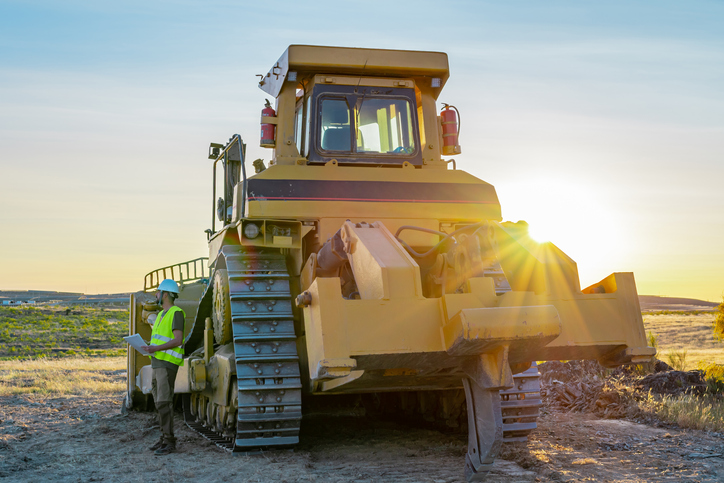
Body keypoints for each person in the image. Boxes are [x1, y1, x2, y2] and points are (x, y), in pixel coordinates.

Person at [141, 278, 185, 455]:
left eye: (158, 292)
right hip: (157, 363)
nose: (156, 295)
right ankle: (164, 438)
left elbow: (177, 340)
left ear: (165, 294)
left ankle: (169, 442)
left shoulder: (176, 313)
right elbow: (159, 340)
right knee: (159, 403)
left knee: (164, 403)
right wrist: (146, 345)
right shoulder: (160, 315)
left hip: (167, 365)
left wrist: (156, 348)